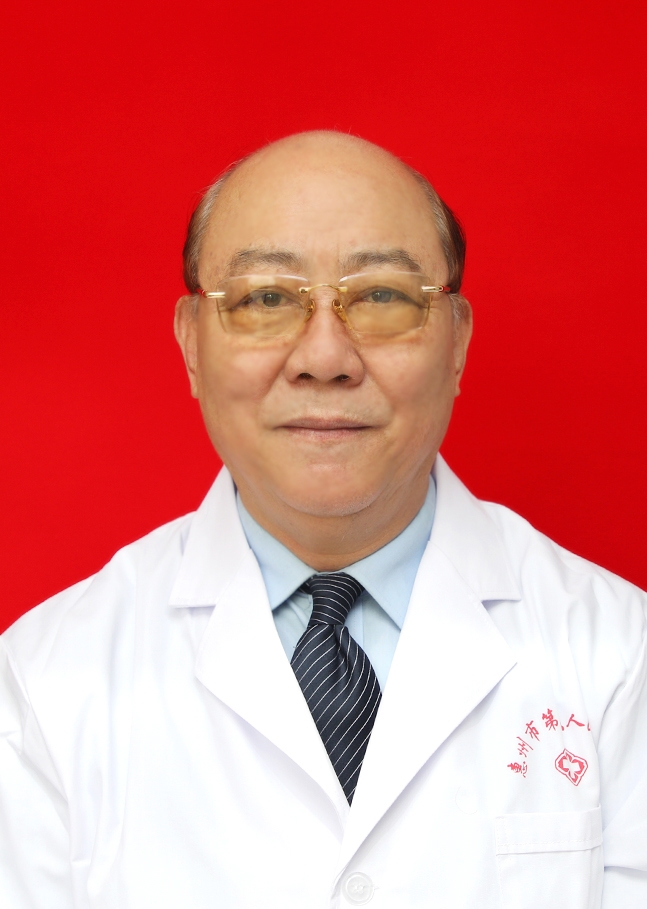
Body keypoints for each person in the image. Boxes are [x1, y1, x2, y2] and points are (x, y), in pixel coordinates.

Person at [0, 131, 645, 909]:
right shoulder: (46, 683)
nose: (325, 357)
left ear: (457, 342)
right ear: (192, 344)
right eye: (266, 299)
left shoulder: (620, 658)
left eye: (381, 297)